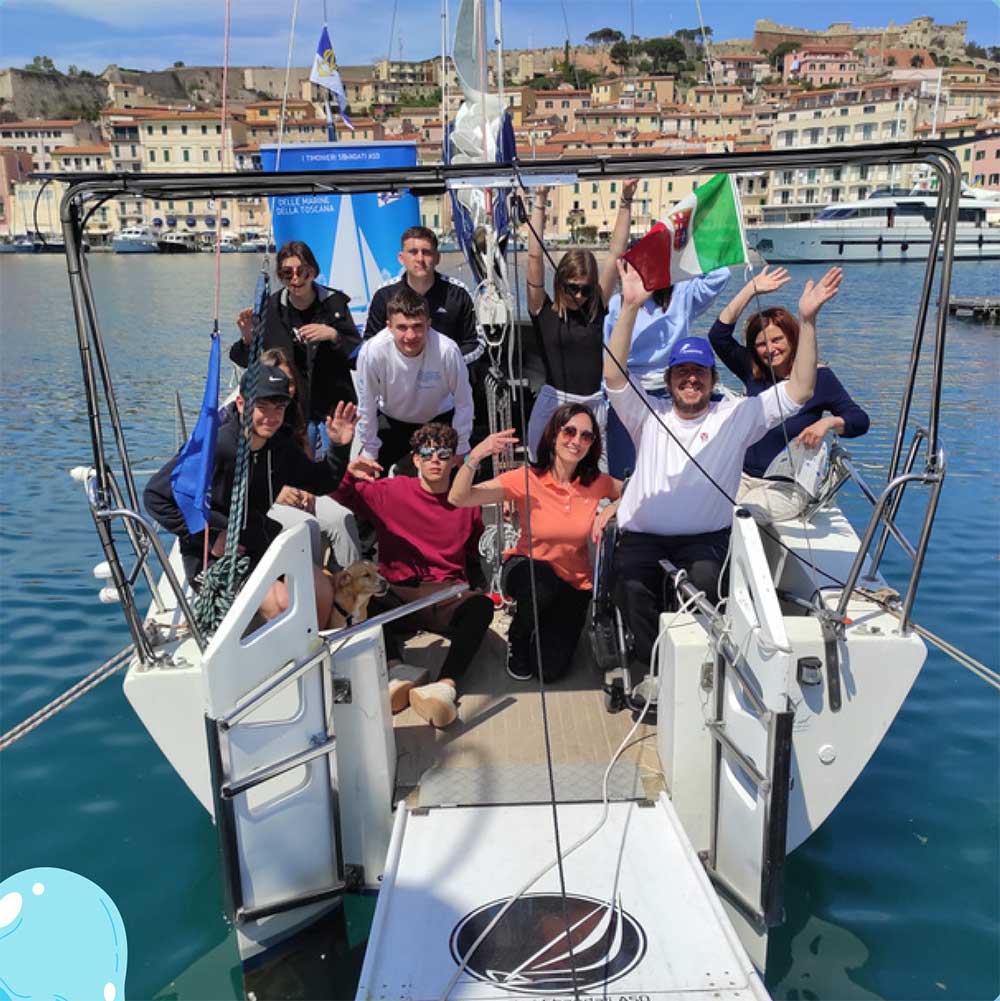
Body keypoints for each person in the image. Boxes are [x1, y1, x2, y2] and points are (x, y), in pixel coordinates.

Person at [604, 260, 841, 677]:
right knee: (629, 583)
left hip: (704, 541)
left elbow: (801, 389)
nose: (690, 380)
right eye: (682, 373)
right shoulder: (646, 413)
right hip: (643, 537)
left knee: (706, 585)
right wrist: (629, 308)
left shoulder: (736, 416)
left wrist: (807, 321)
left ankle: (691, 671)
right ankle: (654, 668)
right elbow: (614, 376)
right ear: (669, 380)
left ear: (713, 380)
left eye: (699, 373)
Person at [144, 365, 365, 627]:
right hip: (212, 557)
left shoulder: (280, 448)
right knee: (282, 604)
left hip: (259, 542)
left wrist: (339, 447)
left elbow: (321, 482)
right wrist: (211, 536)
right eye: (262, 407)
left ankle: (309, 650)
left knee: (322, 591)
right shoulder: (216, 446)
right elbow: (155, 496)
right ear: (241, 403)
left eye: (279, 408)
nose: (271, 417)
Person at [333, 422, 494, 728]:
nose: (435, 460)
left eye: (443, 454)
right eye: (427, 454)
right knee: (363, 597)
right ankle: (398, 670)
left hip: (445, 594)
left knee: (481, 607)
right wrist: (341, 452)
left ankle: (444, 686)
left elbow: (474, 550)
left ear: (454, 461)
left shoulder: (467, 502)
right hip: (397, 593)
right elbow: (341, 492)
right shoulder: (390, 491)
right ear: (416, 459)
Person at [449, 404, 621, 682]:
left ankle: (542, 625)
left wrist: (613, 507)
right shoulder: (525, 478)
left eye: (586, 436)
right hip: (527, 569)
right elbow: (459, 498)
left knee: (548, 671)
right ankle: (519, 634)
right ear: (553, 435)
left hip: (574, 583)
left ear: (592, 444)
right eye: (569, 431)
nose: (576, 441)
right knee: (541, 584)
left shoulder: (596, 482)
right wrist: (476, 455)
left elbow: (634, 491)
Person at [708, 266, 870, 522]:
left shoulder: (820, 378)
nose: (770, 349)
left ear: (793, 340)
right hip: (742, 476)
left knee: (743, 514)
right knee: (705, 503)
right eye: (761, 344)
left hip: (786, 486)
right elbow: (718, 336)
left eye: (777, 340)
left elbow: (860, 420)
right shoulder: (753, 369)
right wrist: (750, 290)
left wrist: (828, 423)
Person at [524, 180, 637, 464]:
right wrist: (540, 200)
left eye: (585, 289)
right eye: (572, 287)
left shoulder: (595, 308)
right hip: (554, 404)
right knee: (542, 474)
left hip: (591, 405)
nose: (579, 295)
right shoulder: (542, 309)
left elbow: (616, 254)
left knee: (594, 478)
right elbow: (534, 256)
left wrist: (626, 199)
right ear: (560, 282)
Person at [231, 241, 360, 457]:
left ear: (314, 272)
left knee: (333, 469)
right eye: (287, 273)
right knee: (296, 470)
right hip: (289, 411)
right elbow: (248, 362)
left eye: (302, 272)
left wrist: (333, 335)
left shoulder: (335, 304)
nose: (296, 279)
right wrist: (247, 339)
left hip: (331, 409)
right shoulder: (270, 308)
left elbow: (357, 356)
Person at [602, 266, 731, 478]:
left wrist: (679, 255)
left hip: (670, 391)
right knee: (623, 470)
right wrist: (607, 397)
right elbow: (607, 350)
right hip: (628, 390)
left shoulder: (682, 293)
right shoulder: (618, 303)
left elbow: (721, 275)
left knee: (668, 466)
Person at [252, 347, 362, 571]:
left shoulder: (296, 417)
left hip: (295, 491)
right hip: (262, 500)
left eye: (290, 382)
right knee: (307, 527)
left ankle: (353, 583)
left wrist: (339, 448)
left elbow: (311, 471)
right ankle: (312, 586)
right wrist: (277, 492)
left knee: (341, 518)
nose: (285, 388)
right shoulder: (244, 424)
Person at [355, 285, 474, 474]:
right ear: (389, 326)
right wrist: (369, 450)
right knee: (370, 475)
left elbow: (464, 400)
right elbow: (366, 404)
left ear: (428, 324)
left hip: (438, 419)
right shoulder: (372, 352)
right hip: (392, 420)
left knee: (453, 477)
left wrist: (461, 445)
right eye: (402, 327)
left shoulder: (447, 350)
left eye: (417, 327)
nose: (410, 336)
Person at [363, 225, 485, 366]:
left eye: (426, 252)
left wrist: (444, 365)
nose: (420, 259)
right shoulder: (384, 295)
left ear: (437, 258)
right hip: (398, 376)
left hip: (447, 374)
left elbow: (476, 343)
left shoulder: (458, 293)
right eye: (413, 252)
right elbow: (369, 344)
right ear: (401, 258)